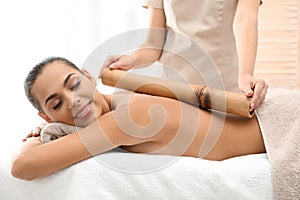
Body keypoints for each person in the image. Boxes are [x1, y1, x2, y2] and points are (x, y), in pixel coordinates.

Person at [11, 57, 266, 181]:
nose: (73, 100)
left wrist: (35, 136)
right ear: (46, 116)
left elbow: (22, 166)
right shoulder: (124, 99)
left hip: (278, 126)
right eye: (56, 103)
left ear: (89, 78)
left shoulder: (126, 117)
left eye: (75, 84)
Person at [100, 0, 268, 112]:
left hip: (221, 91)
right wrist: (130, 59)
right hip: (173, 93)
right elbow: (154, 43)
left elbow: (245, 18)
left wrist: (246, 74)